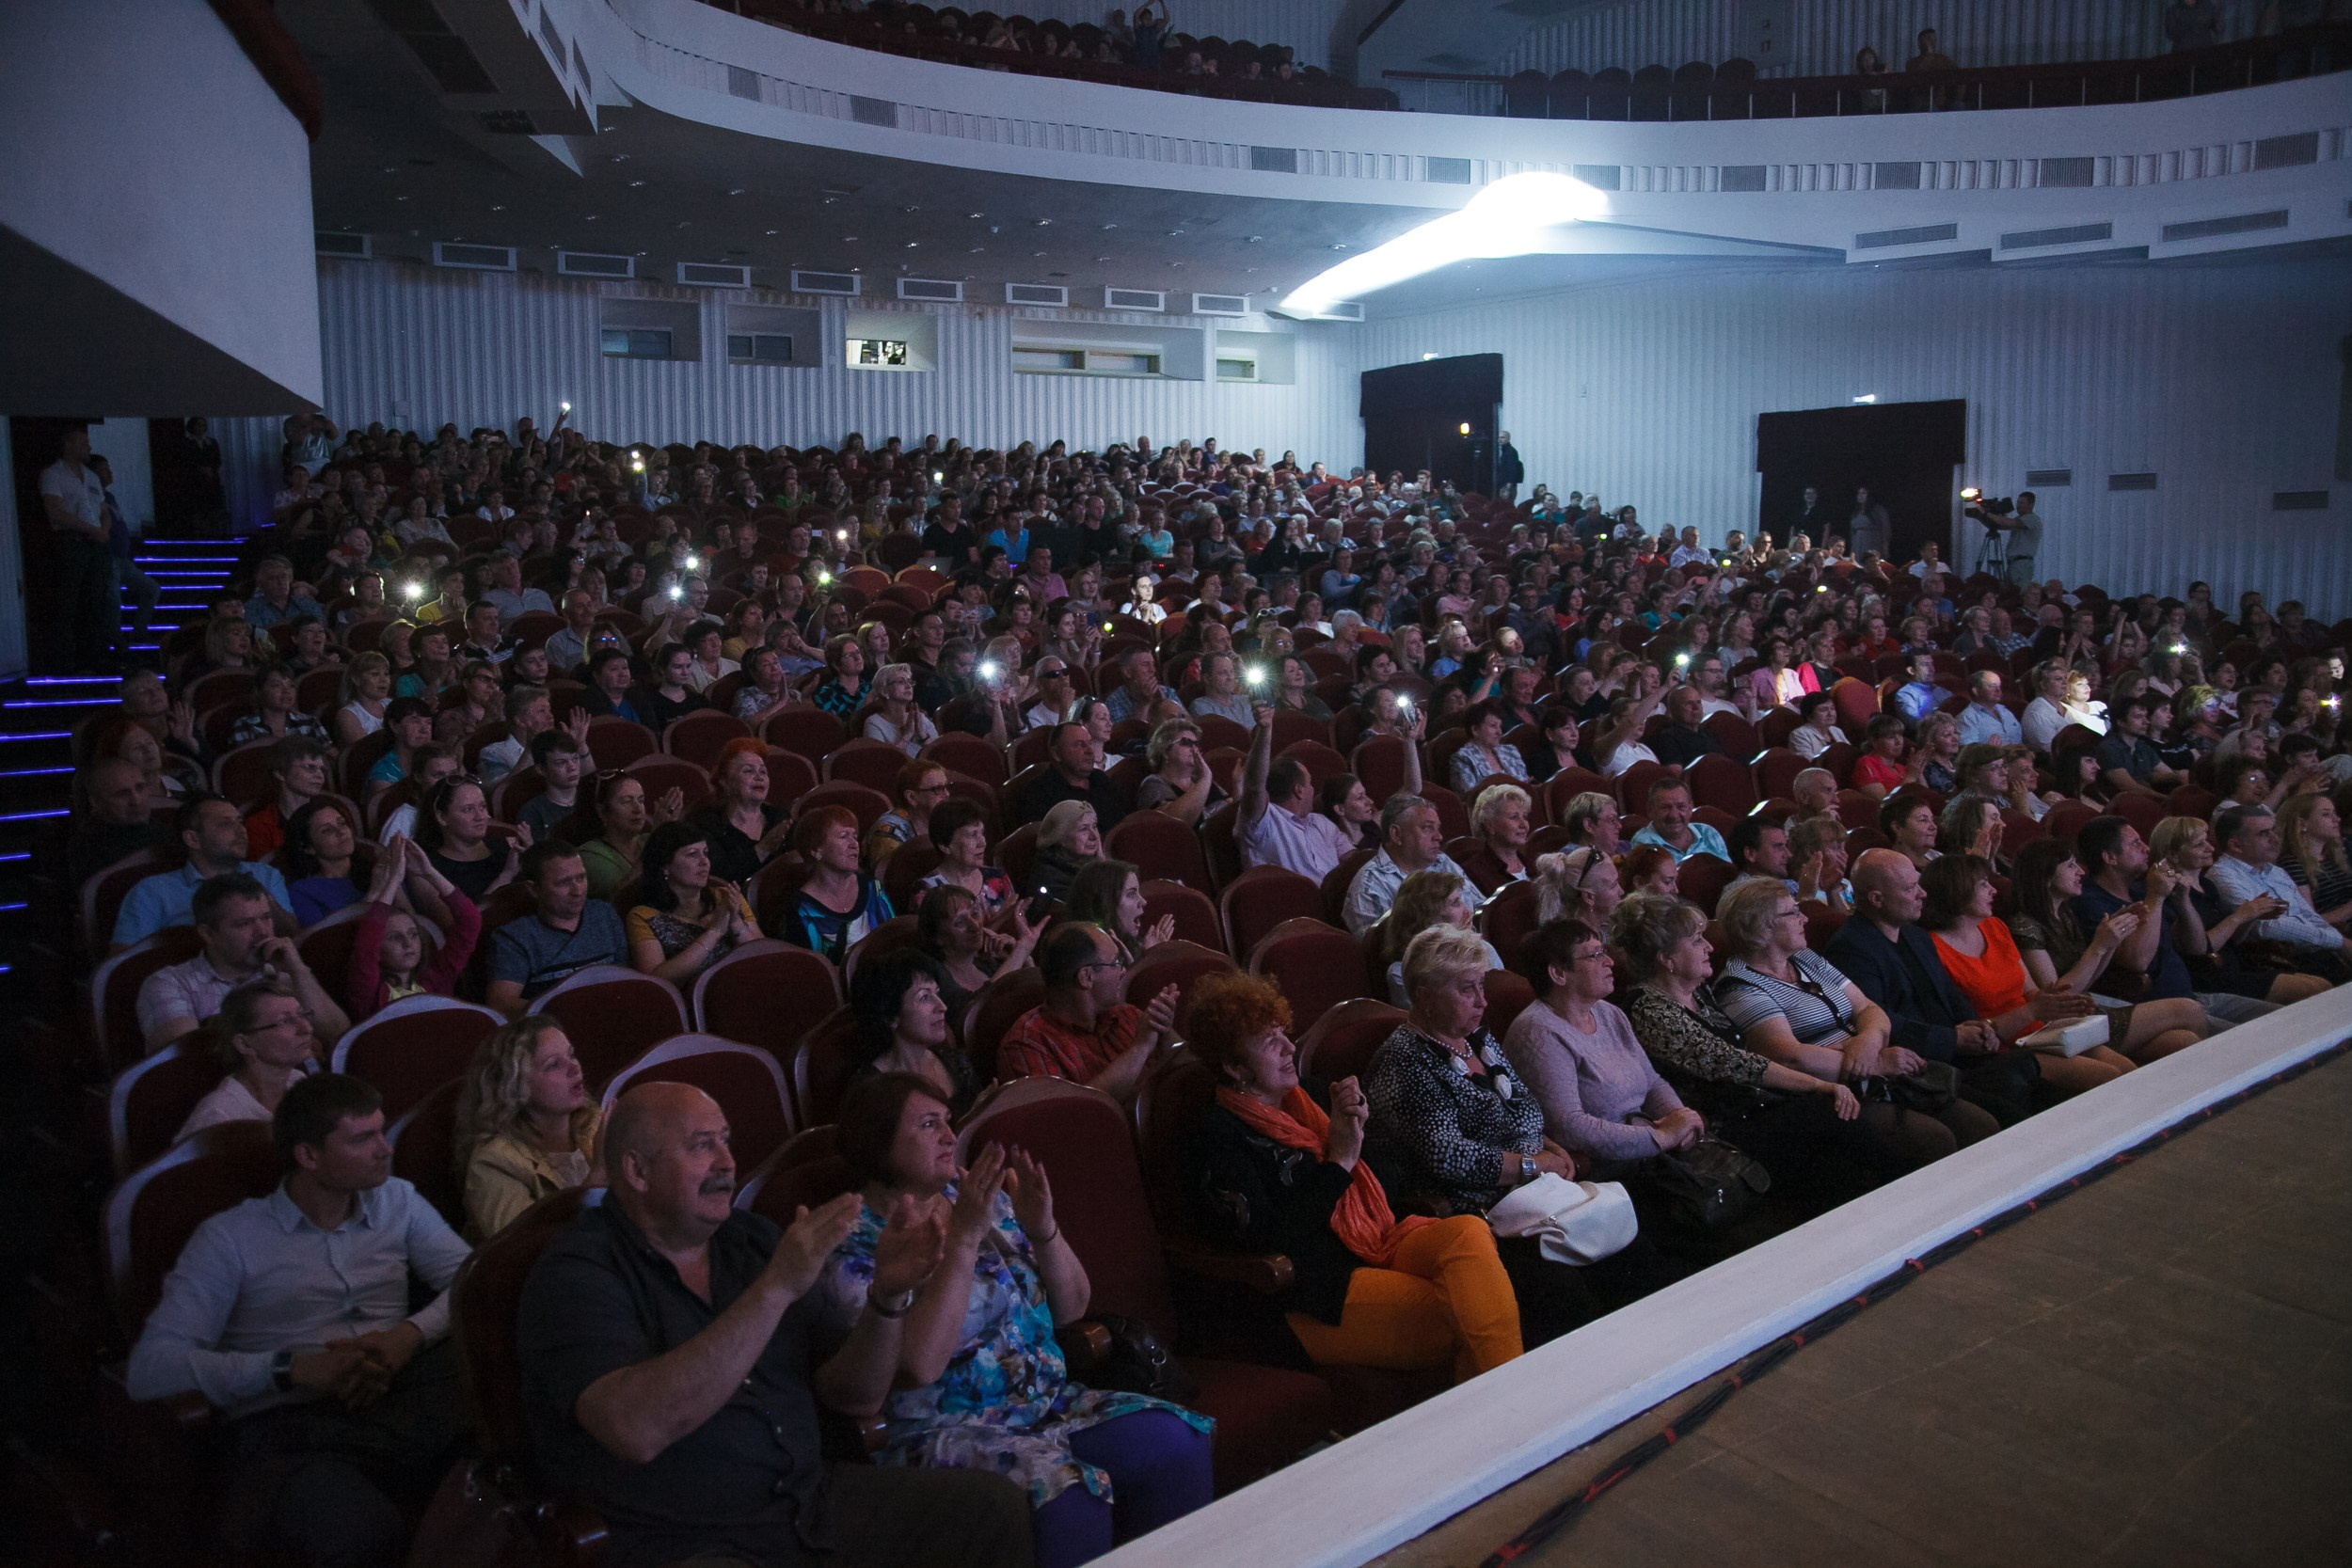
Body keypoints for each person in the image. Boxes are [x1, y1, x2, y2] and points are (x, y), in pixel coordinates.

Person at [516, 1080, 1034, 1568]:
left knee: (990, 1509)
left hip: (808, 1504)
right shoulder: (578, 1272)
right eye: (702, 1146)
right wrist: (775, 1288)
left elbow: (856, 1397)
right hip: (688, 1540)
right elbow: (635, 1429)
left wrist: (887, 1296)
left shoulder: (751, 1241)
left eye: (726, 1141)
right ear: (636, 1171)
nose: (727, 1162)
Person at [818, 1073, 1211, 1568]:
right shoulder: (851, 1244)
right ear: (877, 1143)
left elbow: (1073, 1309)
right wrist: (962, 1241)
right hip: (943, 1428)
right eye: (926, 1124)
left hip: (1045, 1403)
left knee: (1175, 1443)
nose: (947, 1135)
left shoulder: (977, 1199)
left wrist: (1043, 1229)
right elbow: (919, 1366)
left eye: (947, 1121)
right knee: (1067, 1498)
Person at [127, 1073, 471, 1568]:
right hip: (293, 1424)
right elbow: (151, 1369)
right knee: (362, 1534)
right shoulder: (229, 1239)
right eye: (362, 1138)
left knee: (522, 1431)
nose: (385, 1149)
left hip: (397, 1389)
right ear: (308, 1156)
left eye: (381, 1131)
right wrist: (293, 1369)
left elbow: (472, 1278)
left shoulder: (397, 1199)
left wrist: (407, 1336)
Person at [1183, 971, 1523, 1384]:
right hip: (1309, 1291)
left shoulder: (1309, 1095)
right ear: (1234, 1066)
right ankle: (1513, 1408)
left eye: (1284, 1034)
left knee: (1468, 1233)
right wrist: (1340, 1159)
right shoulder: (1218, 1136)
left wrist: (1359, 1132)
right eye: (1271, 1043)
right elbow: (1271, 1237)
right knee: (1462, 1312)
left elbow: (1388, 1183)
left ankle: (1505, 1413)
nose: (1290, 1047)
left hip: (1373, 1242)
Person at [1362, 926, 1661, 1344]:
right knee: (1567, 1292)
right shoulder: (1406, 1063)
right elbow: (1451, 1158)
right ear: (1425, 995)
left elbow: (1523, 1104)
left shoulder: (1477, 1040)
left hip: (1535, 1193)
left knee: (1633, 1247)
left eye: (1481, 985)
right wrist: (1533, 1164)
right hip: (1476, 1216)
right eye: (1467, 989)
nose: (1483, 1000)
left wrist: (1550, 1148)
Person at [1611, 893, 1917, 1206]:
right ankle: (1915, 1194)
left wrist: (1848, 1048)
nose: (1710, 948)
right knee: (1823, 1116)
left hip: (1755, 1109)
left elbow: (1746, 1049)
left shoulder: (1698, 993)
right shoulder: (1650, 1011)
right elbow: (1736, 1063)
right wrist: (1823, 1084)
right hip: (1718, 1129)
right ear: (1667, 958)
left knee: (1837, 1158)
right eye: (1697, 941)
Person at [1711, 879, 1996, 1155]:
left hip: (1876, 1074)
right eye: (1793, 912)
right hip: (1828, 1096)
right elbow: (1789, 1057)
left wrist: (1868, 1042)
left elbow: (1869, 1009)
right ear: (1760, 928)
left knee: (1984, 1124)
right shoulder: (1739, 987)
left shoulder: (1805, 958)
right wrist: (1878, 1063)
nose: (1805, 919)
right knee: (1936, 1140)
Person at [1823, 850, 2044, 1126]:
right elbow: (1881, 1019)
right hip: (1917, 1065)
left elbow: (1948, 992)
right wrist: (1953, 1039)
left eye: (1919, 884)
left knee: (2029, 1073)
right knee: (2009, 1116)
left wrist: (1978, 1027)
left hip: (1954, 1052)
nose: (1922, 894)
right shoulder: (1851, 949)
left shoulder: (1913, 934)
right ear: (1877, 899)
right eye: (1910, 888)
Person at [1917, 855, 2146, 1091]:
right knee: (2109, 1076)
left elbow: (2030, 991)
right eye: (1983, 884)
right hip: (2001, 1046)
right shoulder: (1933, 949)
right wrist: (2035, 1009)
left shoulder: (1994, 927)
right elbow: (1970, 1030)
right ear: (1957, 891)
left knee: (2128, 1070)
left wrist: (2051, 998)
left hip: (2040, 1031)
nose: (1993, 890)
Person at [2072, 816, 2280, 1026]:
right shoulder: (2091, 902)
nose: (2146, 848)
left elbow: (2198, 947)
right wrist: (2156, 897)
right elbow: (2138, 961)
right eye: (2135, 844)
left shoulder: (2139, 890)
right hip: (2158, 1009)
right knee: (2252, 1041)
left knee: (2280, 1021)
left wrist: (2182, 901)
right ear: (2110, 858)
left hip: (2192, 995)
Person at [454, 1016, 602, 1241]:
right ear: (515, 1086)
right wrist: (598, 1178)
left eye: (571, 1054)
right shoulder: (494, 1161)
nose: (574, 1068)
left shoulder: (595, 1123)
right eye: (554, 1064)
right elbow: (522, 1251)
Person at [997, 922, 1180, 1104]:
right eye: (1117, 962)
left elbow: (1187, 1067)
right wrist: (1140, 1048)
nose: (1123, 970)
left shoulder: (1127, 1014)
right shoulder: (1028, 1043)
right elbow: (1075, 1113)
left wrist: (1164, 1030)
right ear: (1086, 977)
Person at [116, 795, 294, 947]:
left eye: (240, 822)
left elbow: (293, 936)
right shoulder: (152, 892)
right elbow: (123, 967)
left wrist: (263, 898)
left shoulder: (266, 875)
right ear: (193, 839)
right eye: (225, 824)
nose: (242, 831)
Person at [486, 840, 631, 1017]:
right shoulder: (515, 937)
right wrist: (569, 1010)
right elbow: (501, 1003)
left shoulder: (604, 914)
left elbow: (627, 978)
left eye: (581, 878)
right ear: (534, 889)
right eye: (563, 883)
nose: (577, 891)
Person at [2206, 804, 2352, 974]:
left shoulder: (2275, 871)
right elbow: (2265, 927)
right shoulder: (2223, 876)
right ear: (2236, 845)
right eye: (2264, 834)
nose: (2275, 839)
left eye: (2273, 830)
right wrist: (2339, 942)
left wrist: (2338, 941)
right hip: (2274, 961)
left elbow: (2308, 915)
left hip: (2314, 949)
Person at [347, 835, 483, 1019]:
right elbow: (366, 945)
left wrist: (429, 873)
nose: (408, 943)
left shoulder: (437, 978)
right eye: (395, 937)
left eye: (413, 935)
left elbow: (470, 921)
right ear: (378, 948)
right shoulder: (369, 994)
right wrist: (393, 881)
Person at [173, 978, 321, 1143]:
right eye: (284, 1021)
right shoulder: (219, 1115)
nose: (307, 1028)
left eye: (302, 1015)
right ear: (244, 1044)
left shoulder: (297, 1080)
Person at [846, 947, 983, 1117]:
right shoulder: (870, 1091)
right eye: (925, 997)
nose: (942, 1007)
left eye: (937, 993)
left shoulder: (957, 1063)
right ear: (891, 1015)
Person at [1234, 705, 1358, 880]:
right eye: (1310, 784)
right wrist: (1265, 730)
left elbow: (1354, 863)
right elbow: (1254, 786)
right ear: (1299, 790)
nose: (1314, 790)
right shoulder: (1264, 823)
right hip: (1291, 903)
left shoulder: (1321, 823)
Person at [626, 820, 760, 981]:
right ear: (665, 866)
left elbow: (764, 954)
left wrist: (735, 921)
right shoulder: (643, 916)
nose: (704, 861)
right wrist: (715, 932)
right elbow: (656, 980)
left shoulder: (725, 897)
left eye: (705, 852)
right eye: (692, 854)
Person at [39, 427, 117, 673]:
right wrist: (92, 529)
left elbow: (103, 510)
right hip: (71, 542)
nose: (89, 448)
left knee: (97, 601)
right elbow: (55, 512)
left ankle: (95, 658)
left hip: (96, 543)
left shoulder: (91, 477)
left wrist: (103, 530)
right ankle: (65, 663)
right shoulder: (53, 474)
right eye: (83, 443)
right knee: (69, 603)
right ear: (68, 445)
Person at [1343, 795, 1476, 935]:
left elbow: (1481, 910)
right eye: (1427, 828)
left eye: (1437, 828)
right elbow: (1378, 948)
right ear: (1396, 834)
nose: (1439, 836)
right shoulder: (1369, 885)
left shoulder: (1442, 861)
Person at [782, 806, 896, 963]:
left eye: (855, 837)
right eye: (843, 837)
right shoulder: (802, 909)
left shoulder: (872, 887)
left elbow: (894, 940)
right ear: (816, 850)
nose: (854, 844)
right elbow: (808, 969)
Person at [415, 775, 520, 904]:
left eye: (482, 807)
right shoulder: (426, 868)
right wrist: (507, 875)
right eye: (468, 809)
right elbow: (463, 922)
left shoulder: (510, 846)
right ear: (442, 817)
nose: (480, 816)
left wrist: (534, 861)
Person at [580, 772, 682, 903]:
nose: (638, 809)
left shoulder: (648, 839)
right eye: (627, 801)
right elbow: (621, 900)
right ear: (602, 811)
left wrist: (672, 832)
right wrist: (657, 838)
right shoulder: (589, 856)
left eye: (641, 800)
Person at [1009, 722, 1128, 831]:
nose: (1090, 750)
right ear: (1056, 754)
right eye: (1080, 744)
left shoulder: (1100, 779)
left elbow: (1123, 824)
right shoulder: (1039, 793)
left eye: (1090, 743)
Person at [923, 797, 1020, 920]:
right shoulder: (928, 891)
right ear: (945, 846)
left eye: (982, 832)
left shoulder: (998, 877)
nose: (982, 842)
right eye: (972, 835)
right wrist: (997, 923)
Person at [1062, 859, 1172, 966]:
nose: (1143, 901)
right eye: (1131, 894)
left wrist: (1149, 958)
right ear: (1105, 902)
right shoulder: (1082, 956)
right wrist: (1144, 964)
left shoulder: (1134, 945)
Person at [2278, 793, 2352, 929]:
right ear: (2302, 823)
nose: (2337, 819)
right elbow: (2309, 922)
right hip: (2334, 934)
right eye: (2326, 814)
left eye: (2335, 813)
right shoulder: (2292, 863)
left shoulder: (2334, 855)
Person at [1133, 718, 1225, 828]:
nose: (1194, 749)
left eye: (1196, 744)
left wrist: (1238, 791)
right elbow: (1175, 824)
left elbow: (1229, 810)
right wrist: (1206, 778)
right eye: (1186, 743)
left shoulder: (1199, 779)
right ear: (1165, 751)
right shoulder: (1153, 783)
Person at [1628, 777, 1729, 865]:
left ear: (1690, 808)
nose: (1674, 815)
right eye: (1665, 808)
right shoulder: (1644, 844)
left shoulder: (1707, 832)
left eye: (1681, 807)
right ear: (1650, 810)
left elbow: (1730, 874)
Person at [1455, 783, 1534, 895]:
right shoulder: (1474, 872)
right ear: (1490, 825)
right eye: (1514, 817)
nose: (1524, 825)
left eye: (1525, 817)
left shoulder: (1535, 866)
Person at [1033, 800, 1104, 903]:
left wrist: (1102, 863)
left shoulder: (1087, 862)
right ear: (1060, 839)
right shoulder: (1052, 879)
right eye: (1083, 829)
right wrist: (1102, 868)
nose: (1094, 836)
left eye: (1094, 826)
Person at [1451, 701, 1531, 790]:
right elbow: (1470, 796)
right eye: (1493, 726)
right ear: (1475, 730)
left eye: (1500, 726)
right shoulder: (1463, 758)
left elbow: (1526, 784)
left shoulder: (1511, 751)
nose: (1499, 732)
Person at [1954, 671, 2023, 749]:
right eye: (1992, 686)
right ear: (1976, 691)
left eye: (1999, 686)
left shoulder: (2005, 711)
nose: (1998, 690)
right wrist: (1990, 751)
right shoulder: (1967, 718)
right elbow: (1968, 754)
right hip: (1994, 759)